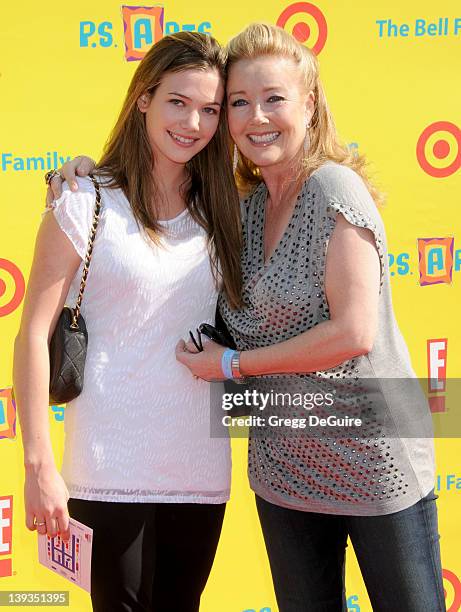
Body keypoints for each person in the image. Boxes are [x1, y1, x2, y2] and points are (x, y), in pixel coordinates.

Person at [47, 23, 445, 612]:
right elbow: (142, 196)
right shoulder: (240, 209)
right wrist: (79, 173)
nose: (256, 116)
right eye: (237, 103)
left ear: (309, 103)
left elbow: (354, 332)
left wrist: (233, 363)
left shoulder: (336, 188)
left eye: (274, 98)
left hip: (373, 462)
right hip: (283, 470)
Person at [14, 31, 242, 612]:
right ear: (143, 97)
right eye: (177, 101)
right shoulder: (83, 201)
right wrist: (39, 464)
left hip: (200, 468)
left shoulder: (226, 209)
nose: (193, 122)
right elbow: (33, 336)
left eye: (211, 109)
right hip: (108, 465)